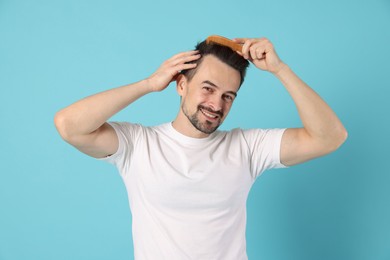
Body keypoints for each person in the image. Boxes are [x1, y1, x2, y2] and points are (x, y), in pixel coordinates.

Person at [54, 37, 347, 259]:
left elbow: (330, 137)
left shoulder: (247, 147)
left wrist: (280, 69)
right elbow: (69, 125)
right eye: (207, 88)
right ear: (181, 84)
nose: (216, 105)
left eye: (228, 96)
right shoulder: (138, 144)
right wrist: (148, 84)